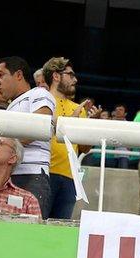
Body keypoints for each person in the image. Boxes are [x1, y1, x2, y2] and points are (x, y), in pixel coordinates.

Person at [0, 56, 56, 217]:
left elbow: (38, 128)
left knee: (30, 234)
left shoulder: (39, 93)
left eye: (1, 75)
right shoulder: (10, 107)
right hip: (10, 177)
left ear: (19, 75)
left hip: (31, 175)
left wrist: (2, 143)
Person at [44, 56, 97, 219]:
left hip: (70, 178)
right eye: (70, 75)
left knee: (61, 229)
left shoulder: (78, 108)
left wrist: (89, 125)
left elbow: (84, 148)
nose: (75, 79)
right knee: (37, 225)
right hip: (44, 174)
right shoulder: (42, 101)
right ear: (56, 76)